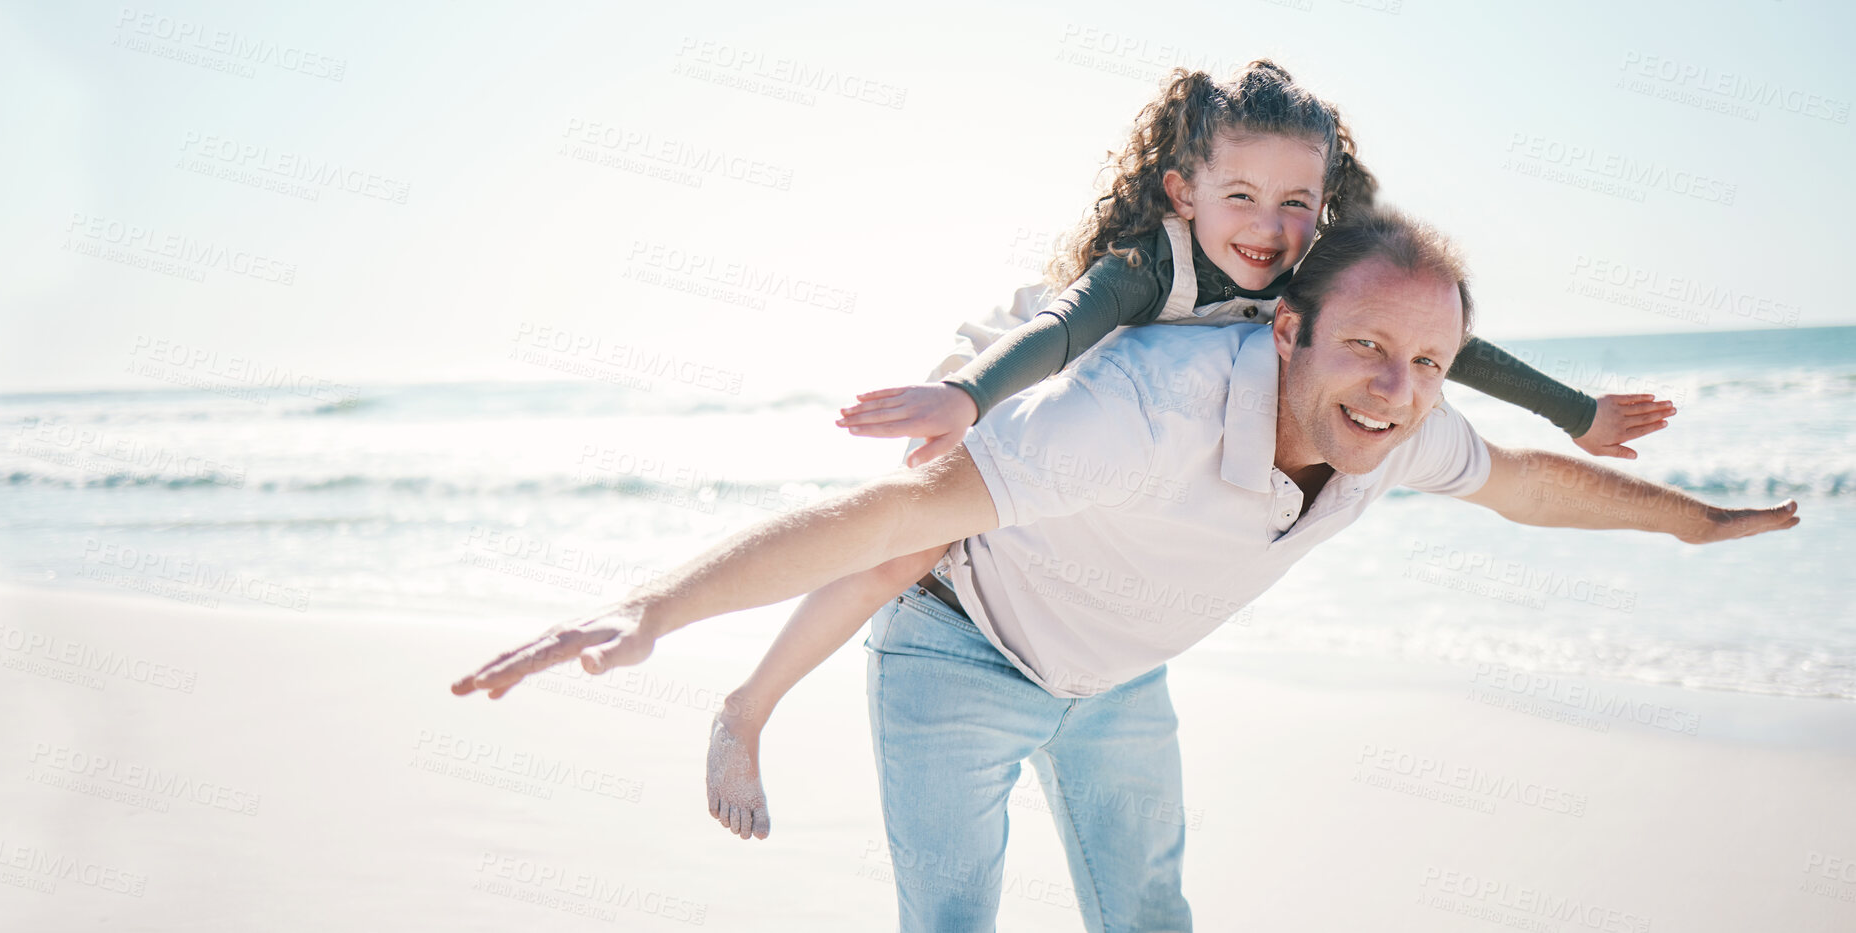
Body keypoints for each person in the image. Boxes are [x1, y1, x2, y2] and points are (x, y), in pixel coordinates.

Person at [452, 206, 1796, 932]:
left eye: (1429, 363)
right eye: (1365, 350)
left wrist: (1688, 522)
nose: (1396, 391)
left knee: (1151, 913)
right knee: (951, 917)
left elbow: (1524, 484)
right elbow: (883, 517)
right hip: (958, 648)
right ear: (1284, 329)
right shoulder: (1142, 406)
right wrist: (656, 606)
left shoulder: (1400, 431)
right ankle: (743, 713)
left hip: (1117, 680)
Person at [704, 60, 1674, 842]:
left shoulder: (1316, 275)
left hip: (1104, 441)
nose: (1268, 226)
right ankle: (748, 709)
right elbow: (1062, 330)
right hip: (1025, 369)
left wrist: (1576, 412)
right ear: (1183, 188)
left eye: (1298, 201)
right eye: (1240, 194)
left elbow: (1446, 338)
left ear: (1328, 201)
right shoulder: (1148, 266)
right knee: (909, 548)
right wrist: (966, 395)